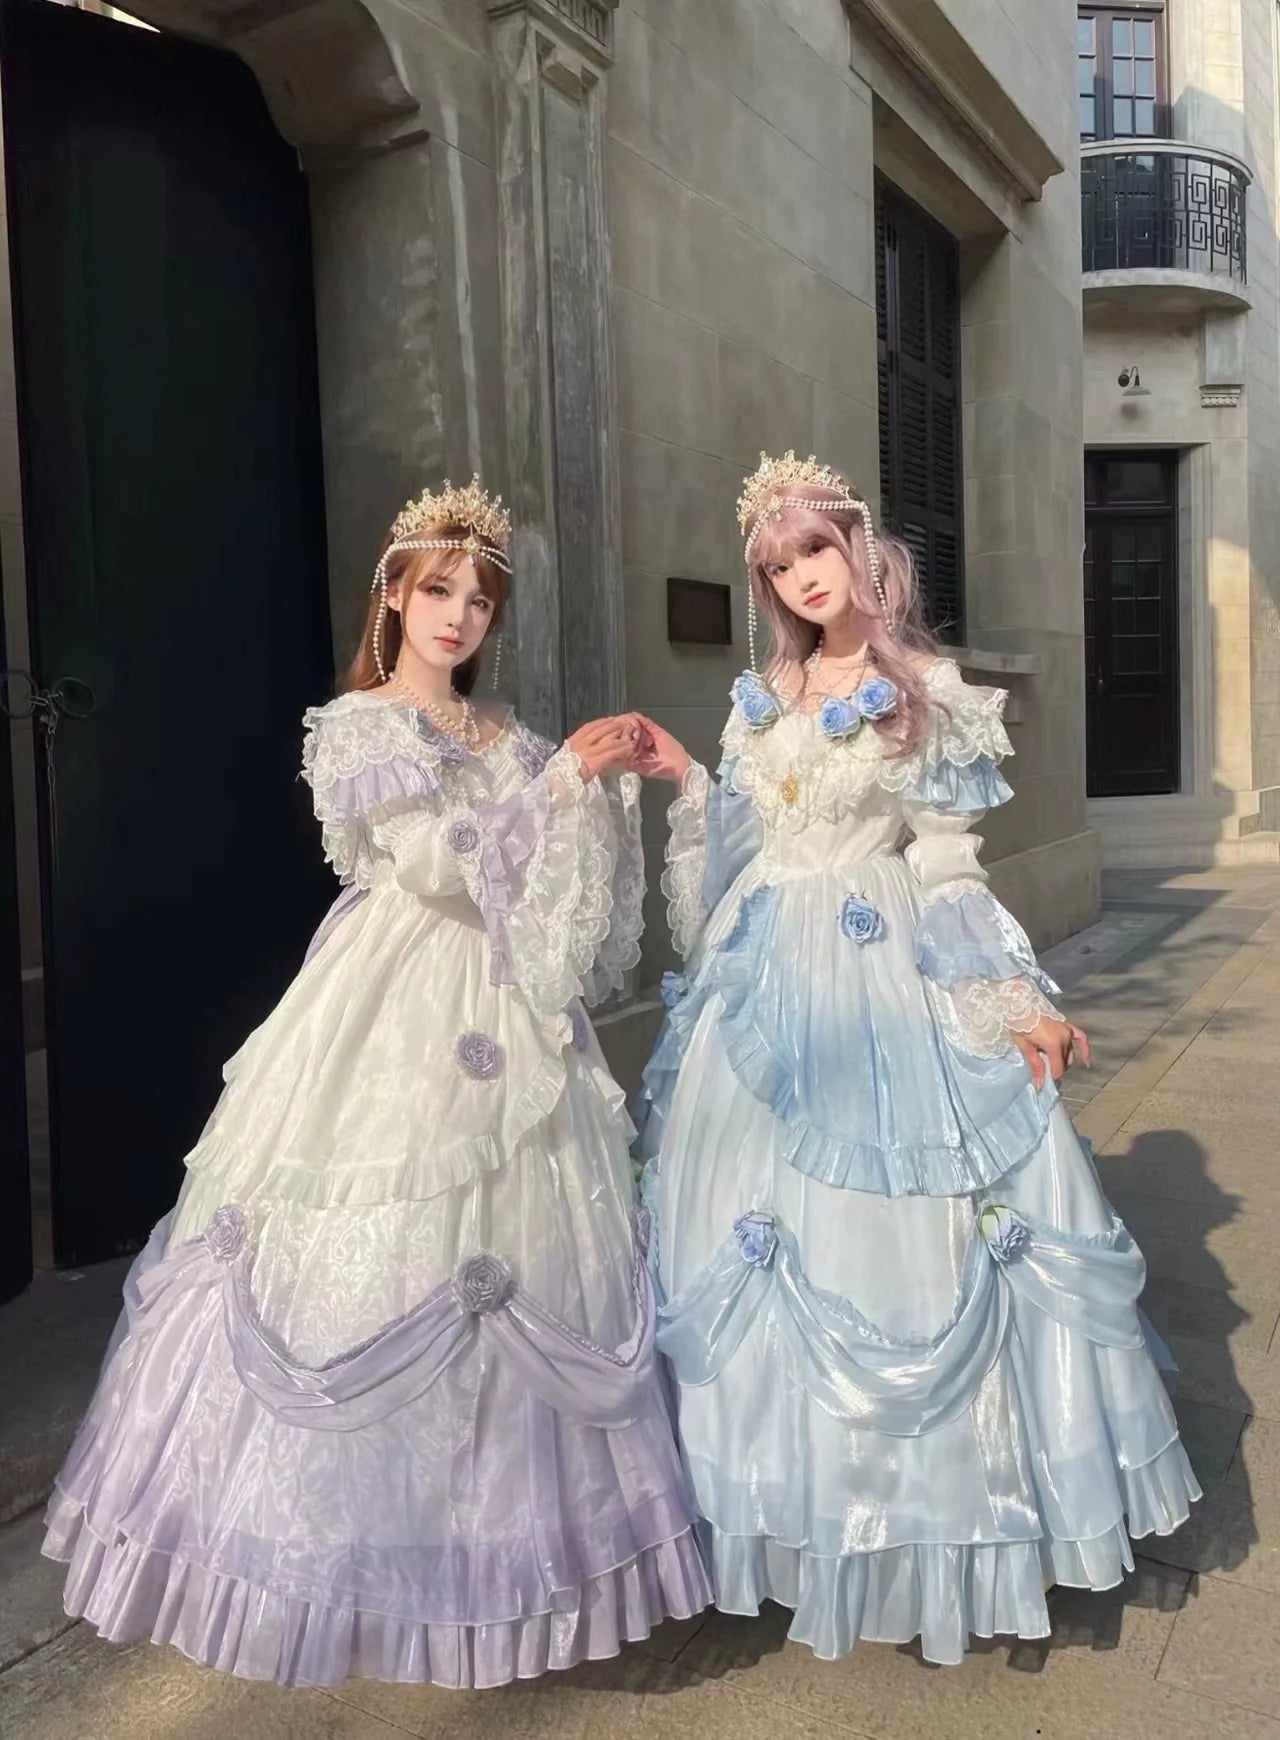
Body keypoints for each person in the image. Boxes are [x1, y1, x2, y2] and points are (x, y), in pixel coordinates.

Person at [40, 477, 710, 1688]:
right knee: (361, 1246)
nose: (457, 617)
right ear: (391, 595)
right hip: (393, 1002)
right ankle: (345, 1558)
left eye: (479, 601)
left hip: (509, 1013)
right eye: (438, 591)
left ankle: (503, 1567)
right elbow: (432, 866)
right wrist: (562, 784)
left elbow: (550, 892)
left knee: (536, 1252)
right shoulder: (359, 727)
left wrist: (593, 785)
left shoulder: (503, 734)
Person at [630, 452, 1200, 1666]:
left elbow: (944, 865)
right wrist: (685, 781)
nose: (801, 576)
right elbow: (740, 840)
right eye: (778, 565)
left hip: (876, 962)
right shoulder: (764, 695)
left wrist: (1011, 1001)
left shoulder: (923, 689)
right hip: (759, 980)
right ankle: (777, 1514)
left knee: (912, 1226)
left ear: (855, 547)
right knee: (739, 1223)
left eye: (814, 549)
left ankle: (936, 1526)